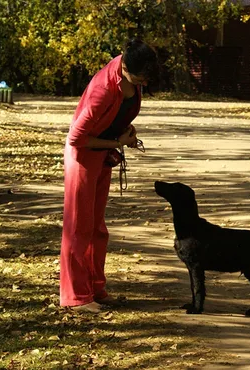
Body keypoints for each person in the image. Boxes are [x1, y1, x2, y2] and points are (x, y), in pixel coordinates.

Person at [60, 39, 158, 313]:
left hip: (102, 155)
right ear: (125, 67)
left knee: (97, 229)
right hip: (82, 157)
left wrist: (125, 132)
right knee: (79, 227)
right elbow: (76, 137)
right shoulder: (103, 89)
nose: (143, 84)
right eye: (140, 78)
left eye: (146, 79)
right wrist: (117, 143)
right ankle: (76, 298)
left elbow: (117, 114)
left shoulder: (132, 70)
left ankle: (95, 288)